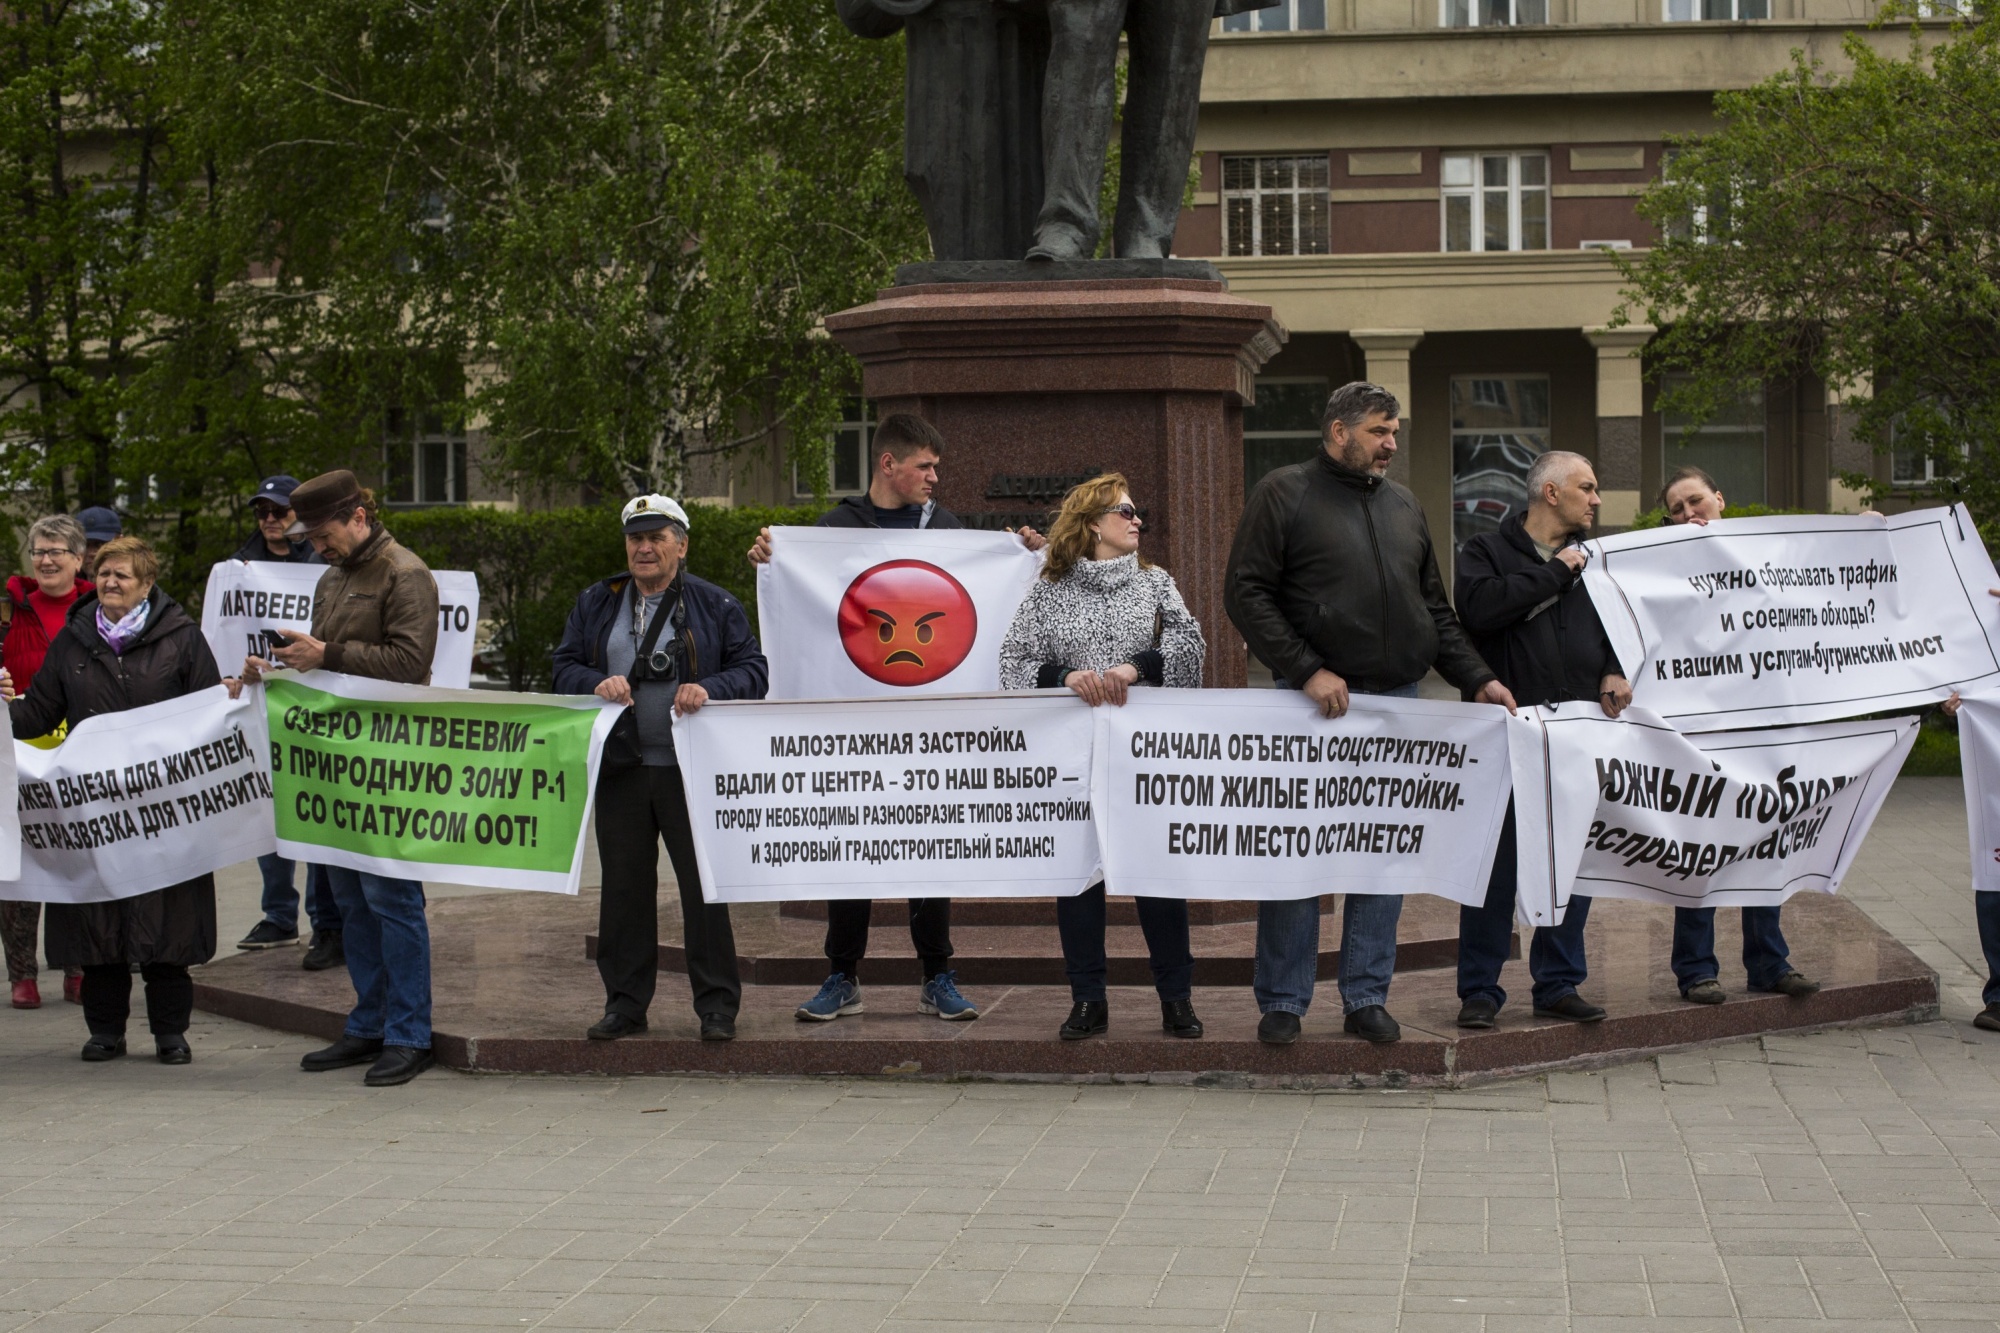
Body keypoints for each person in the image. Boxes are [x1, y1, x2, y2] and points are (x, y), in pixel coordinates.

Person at [1224, 381, 1516, 1046]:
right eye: (1381, 431)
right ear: (1339, 431)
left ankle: (1365, 994)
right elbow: (1245, 591)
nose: (1391, 444)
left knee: (1381, 853)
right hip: (1311, 706)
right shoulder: (1284, 492)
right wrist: (1306, 669)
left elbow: (1434, 611)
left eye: (1394, 431)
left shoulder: (1404, 506)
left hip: (1398, 706)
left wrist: (1479, 680)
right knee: (1303, 850)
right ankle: (1284, 1000)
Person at [746, 413, 1043, 1024]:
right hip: (857, 724)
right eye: (925, 466)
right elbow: (804, 608)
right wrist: (773, 561)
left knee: (929, 843)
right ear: (889, 465)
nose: (935, 477)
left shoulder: (951, 531)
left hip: (930, 723)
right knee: (850, 842)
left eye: (937, 466)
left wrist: (1026, 558)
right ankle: (841, 974)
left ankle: (937, 974)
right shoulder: (833, 531)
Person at [242, 470, 442, 1086]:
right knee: (350, 899)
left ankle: (410, 1034)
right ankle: (368, 1023)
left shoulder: (406, 574)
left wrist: (324, 654)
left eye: (323, 533)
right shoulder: (332, 576)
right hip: (338, 764)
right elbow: (326, 666)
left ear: (357, 516)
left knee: (392, 899)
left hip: (389, 763)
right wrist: (274, 671)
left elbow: (410, 665)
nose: (317, 545)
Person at [999, 473, 1206, 1040]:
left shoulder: (1154, 581)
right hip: (1074, 753)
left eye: (1137, 512)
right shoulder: (1050, 587)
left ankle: (1176, 999)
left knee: (1158, 877)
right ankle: (1088, 999)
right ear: (1094, 523)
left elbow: (1191, 646)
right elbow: (1013, 660)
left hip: (1144, 752)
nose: (1138, 520)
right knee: (1079, 879)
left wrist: (1135, 668)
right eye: (1126, 511)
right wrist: (1065, 676)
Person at [553, 495, 768, 1042]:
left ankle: (717, 1008)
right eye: (635, 538)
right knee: (624, 892)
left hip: (691, 770)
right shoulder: (597, 601)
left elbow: (754, 670)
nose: (644, 548)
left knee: (703, 890)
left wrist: (710, 687)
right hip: (623, 766)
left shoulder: (714, 604)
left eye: (657, 537)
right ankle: (625, 1005)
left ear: (682, 545)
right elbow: (564, 667)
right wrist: (593, 682)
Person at [1, 538, 220, 1063]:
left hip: (165, 810)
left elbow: (211, 714)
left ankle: (171, 1034)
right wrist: (3, 708)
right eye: (103, 575)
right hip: (97, 811)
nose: (109, 583)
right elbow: (38, 716)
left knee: (170, 928)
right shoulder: (74, 642)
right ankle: (106, 1032)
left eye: (121, 576)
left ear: (147, 583)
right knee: (99, 927)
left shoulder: (182, 638)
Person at [1454, 451, 1632, 1030]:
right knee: (1496, 865)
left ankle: (1558, 983)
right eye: (1588, 487)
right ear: (1551, 494)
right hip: (1507, 732)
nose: (1597, 499)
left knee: (1571, 861)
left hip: (1577, 734)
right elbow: (1480, 612)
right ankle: (1480, 990)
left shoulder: (1601, 558)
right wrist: (1558, 573)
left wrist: (1614, 665)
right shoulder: (1484, 552)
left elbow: (1623, 623)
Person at [1656, 465, 1821, 1004]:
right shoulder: (1660, 570)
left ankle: (1770, 963)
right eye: (1676, 509)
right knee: (1703, 844)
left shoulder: (1762, 553)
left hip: (1765, 726)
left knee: (1766, 840)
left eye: (1696, 500)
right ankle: (1696, 969)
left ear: (1720, 498)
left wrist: (1863, 533)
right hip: (1700, 731)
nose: (1688, 514)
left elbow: (1821, 577)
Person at [229, 475, 342, 968]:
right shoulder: (238, 568)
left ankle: (324, 923)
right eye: (262, 513)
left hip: (315, 706)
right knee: (270, 806)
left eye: (279, 511)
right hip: (266, 702)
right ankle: (279, 914)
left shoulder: (326, 562)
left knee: (313, 810)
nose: (271, 521)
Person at [2, 515, 94, 1010]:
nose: (47, 559)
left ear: (79, 559)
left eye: (57, 550)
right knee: (17, 866)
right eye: (39, 550)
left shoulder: (97, 608)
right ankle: (22, 973)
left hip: (79, 755)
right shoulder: (7, 609)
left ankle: (78, 967)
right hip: (18, 752)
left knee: (75, 858)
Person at [75, 506, 121, 570]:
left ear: (120, 541)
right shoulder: (65, 578)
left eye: (99, 545)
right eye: (84, 545)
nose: (91, 553)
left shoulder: (136, 576)